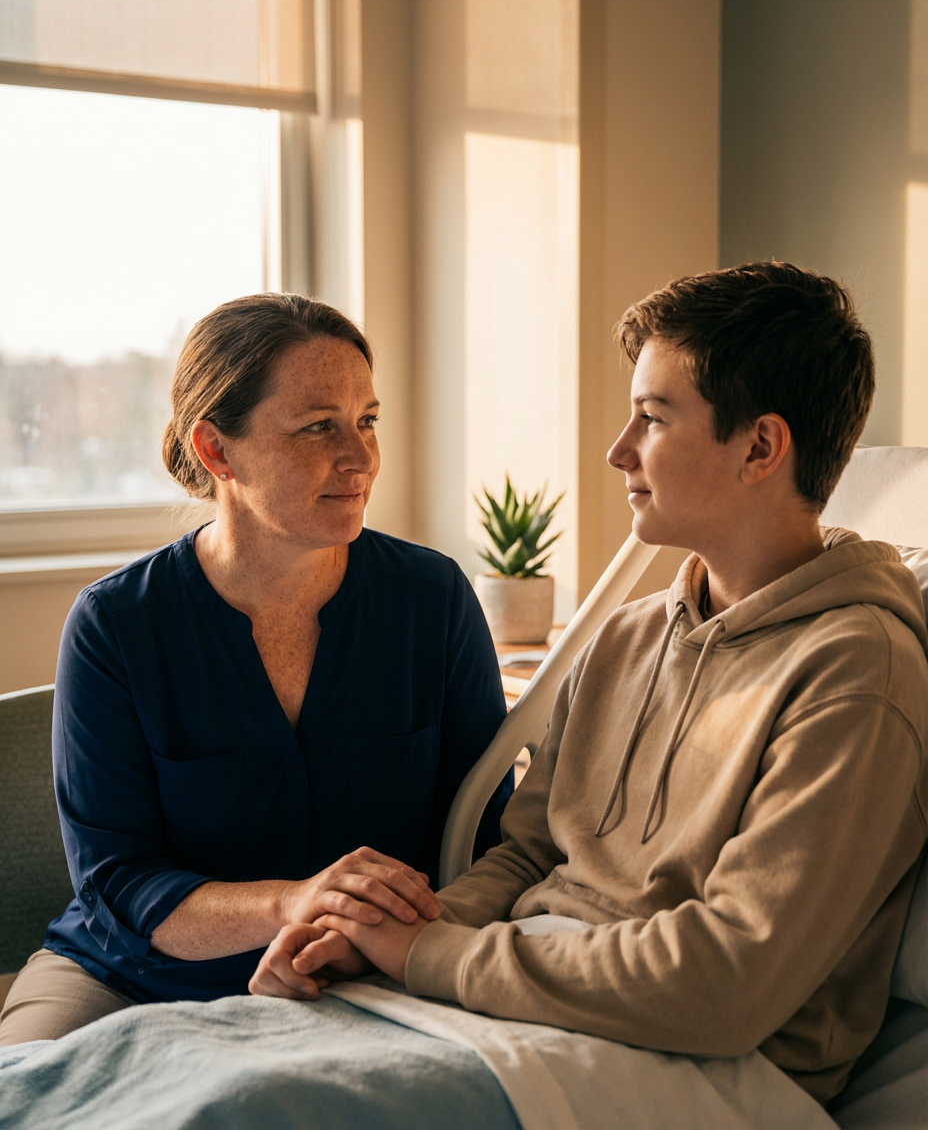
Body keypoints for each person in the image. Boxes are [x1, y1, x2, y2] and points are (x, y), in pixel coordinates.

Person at [252, 262, 928, 1104]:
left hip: (705, 1071)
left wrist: (429, 957)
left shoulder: (857, 673)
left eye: (651, 417)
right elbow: (529, 850)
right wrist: (388, 934)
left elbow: (727, 985)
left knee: (253, 1108)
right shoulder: (625, 637)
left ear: (760, 446)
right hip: (520, 1006)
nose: (618, 451)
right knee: (176, 1071)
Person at [0, 294, 510, 1047]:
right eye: (318, 427)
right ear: (217, 451)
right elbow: (120, 883)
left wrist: (353, 939)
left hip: (367, 968)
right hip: (131, 976)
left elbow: (487, 839)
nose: (361, 457)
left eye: (367, 420)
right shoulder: (116, 626)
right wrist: (291, 903)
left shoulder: (431, 601)